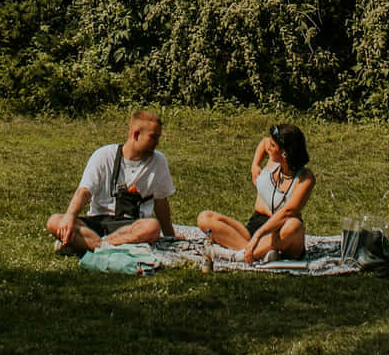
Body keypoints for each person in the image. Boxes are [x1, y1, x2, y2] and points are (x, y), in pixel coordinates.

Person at [47, 109, 176, 254]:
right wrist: (70, 217)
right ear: (136, 134)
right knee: (54, 221)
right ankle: (104, 246)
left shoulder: (158, 161)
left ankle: (88, 245)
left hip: (131, 226)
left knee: (152, 227)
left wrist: (170, 235)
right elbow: (84, 191)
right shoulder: (104, 155)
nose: (157, 143)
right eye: (153, 137)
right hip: (98, 221)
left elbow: (161, 202)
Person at [198, 122, 314, 264]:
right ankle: (258, 252)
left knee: (293, 225)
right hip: (255, 224)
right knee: (205, 218)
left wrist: (259, 235)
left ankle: (240, 256)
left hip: (282, 230)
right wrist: (255, 165)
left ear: (284, 153)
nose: (269, 147)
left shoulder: (305, 178)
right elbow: (264, 142)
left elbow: (289, 211)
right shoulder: (274, 160)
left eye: (273, 146)